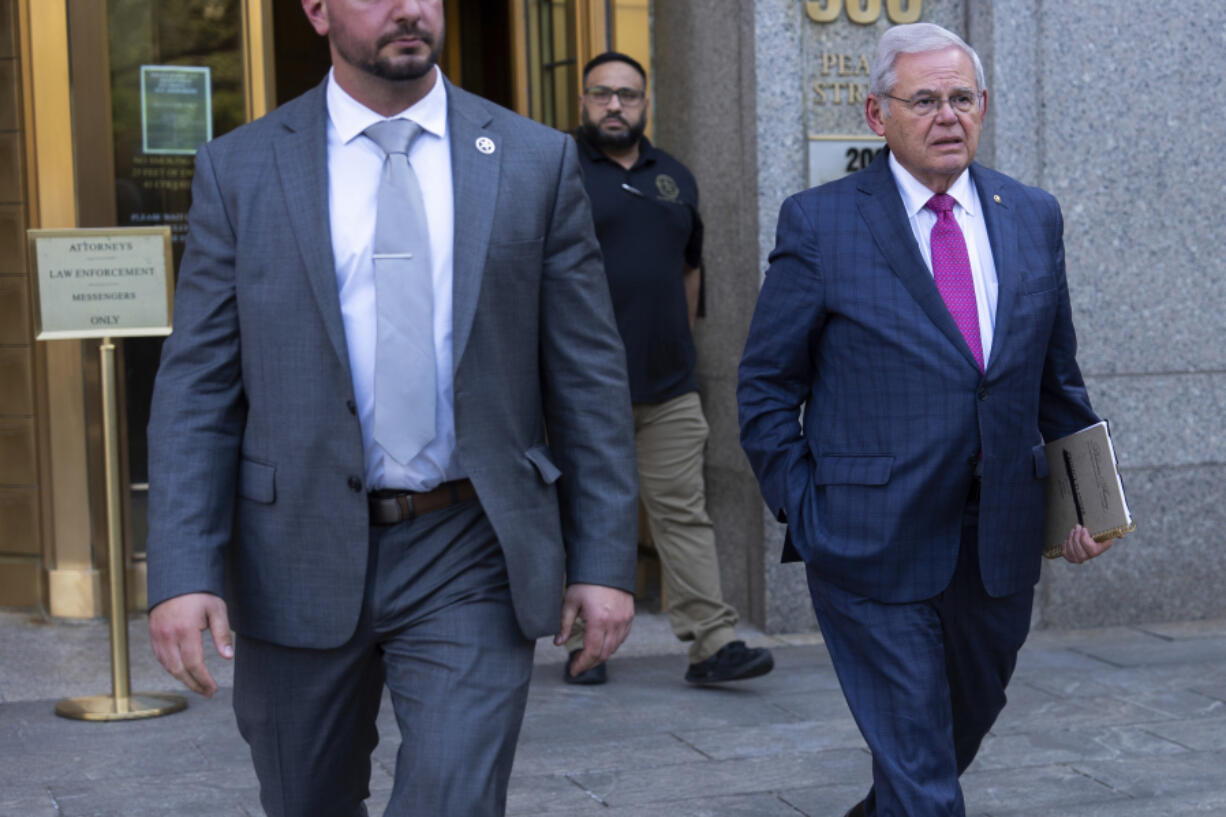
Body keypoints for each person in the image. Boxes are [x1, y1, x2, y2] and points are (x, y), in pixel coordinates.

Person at [144, 1, 638, 815]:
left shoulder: (531, 160)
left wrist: (602, 560)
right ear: (316, 10)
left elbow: (588, 374)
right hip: (292, 549)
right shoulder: (241, 169)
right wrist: (183, 570)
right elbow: (198, 385)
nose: (411, 9)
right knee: (306, 797)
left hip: (469, 543)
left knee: (453, 795)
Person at [737, 23, 1114, 817]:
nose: (948, 116)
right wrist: (809, 509)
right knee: (920, 769)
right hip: (868, 540)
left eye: (962, 99)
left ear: (984, 106)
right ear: (877, 115)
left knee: (948, 741)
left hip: (999, 540)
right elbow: (767, 385)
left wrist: (1084, 502)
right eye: (925, 100)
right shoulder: (821, 222)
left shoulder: (1031, 214)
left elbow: (1056, 377)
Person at [563, 52, 774, 686]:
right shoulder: (556, 170)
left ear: (645, 101)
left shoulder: (674, 177)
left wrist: (675, 342)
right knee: (583, 512)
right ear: (583, 101)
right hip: (579, 387)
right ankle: (584, 645)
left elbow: (690, 267)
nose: (615, 106)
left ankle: (711, 644)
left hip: (669, 388)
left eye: (627, 94)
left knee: (683, 511)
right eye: (601, 94)